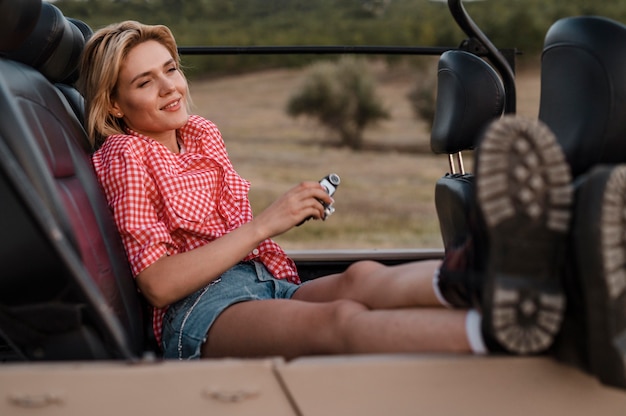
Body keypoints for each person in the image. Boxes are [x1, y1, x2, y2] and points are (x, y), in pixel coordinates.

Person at [76, 21, 572, 361]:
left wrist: (274, 226)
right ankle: (520, 337)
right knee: (342, 320)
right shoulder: (125, 155)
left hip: (262, 282)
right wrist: (268, 221)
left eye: (171, 68)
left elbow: (238, 240)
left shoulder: (201, 134)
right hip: (201, 312)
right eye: (145, 81)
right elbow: (158, 284)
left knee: (363, 277)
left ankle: (511, 275)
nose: (170, 87)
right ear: (115, 105)